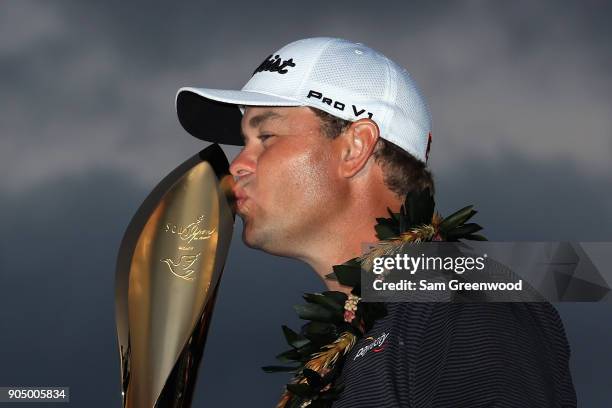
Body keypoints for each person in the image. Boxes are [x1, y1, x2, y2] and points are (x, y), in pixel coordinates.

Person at [176, 37, 576, 407]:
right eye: (243, 144)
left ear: (355, 147)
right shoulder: (355, 338)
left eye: (266, 137)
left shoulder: (461, 296)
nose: (239, 165)